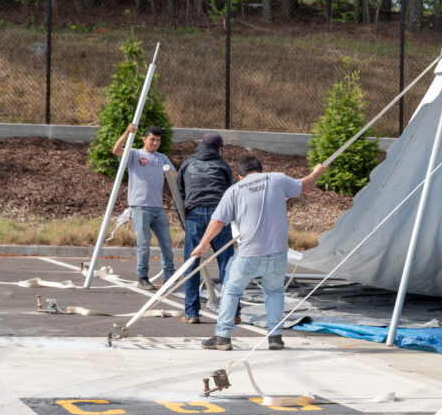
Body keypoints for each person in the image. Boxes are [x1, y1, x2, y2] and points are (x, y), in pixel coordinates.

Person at [192, 156, 327, 351]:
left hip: (249, 253)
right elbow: (303, 186)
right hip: (277, 252)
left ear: (240, 176)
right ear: (261, 171)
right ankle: (275, 337)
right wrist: (316, 173)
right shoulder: (276, 179)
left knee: (231, 290)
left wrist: (202, 245)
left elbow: (218, 221)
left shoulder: (235, 190)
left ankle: (222, 336)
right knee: (274, 292)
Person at [176, 132, 239, 324]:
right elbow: (231, 193)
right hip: (219, 216)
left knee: (192, 264)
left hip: (194, 214)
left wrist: (185, 223)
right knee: (227, 265)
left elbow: (179, 194)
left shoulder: (187, 164)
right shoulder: (222, 165)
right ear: (220, 149)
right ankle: (233, 313)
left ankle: (192, 312)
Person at [113, 123, 175, 290]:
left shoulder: (162, 158)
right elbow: (116, 150)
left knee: (166, 243)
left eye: (158, 141)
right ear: (144, 139)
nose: (155, 143)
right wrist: (127, 132)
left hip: (158, 208)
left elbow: (174, 176)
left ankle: (170, 276)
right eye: (152, 140)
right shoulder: (135, 154)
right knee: (144, 244)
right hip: (140, 207)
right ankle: (143, 277)